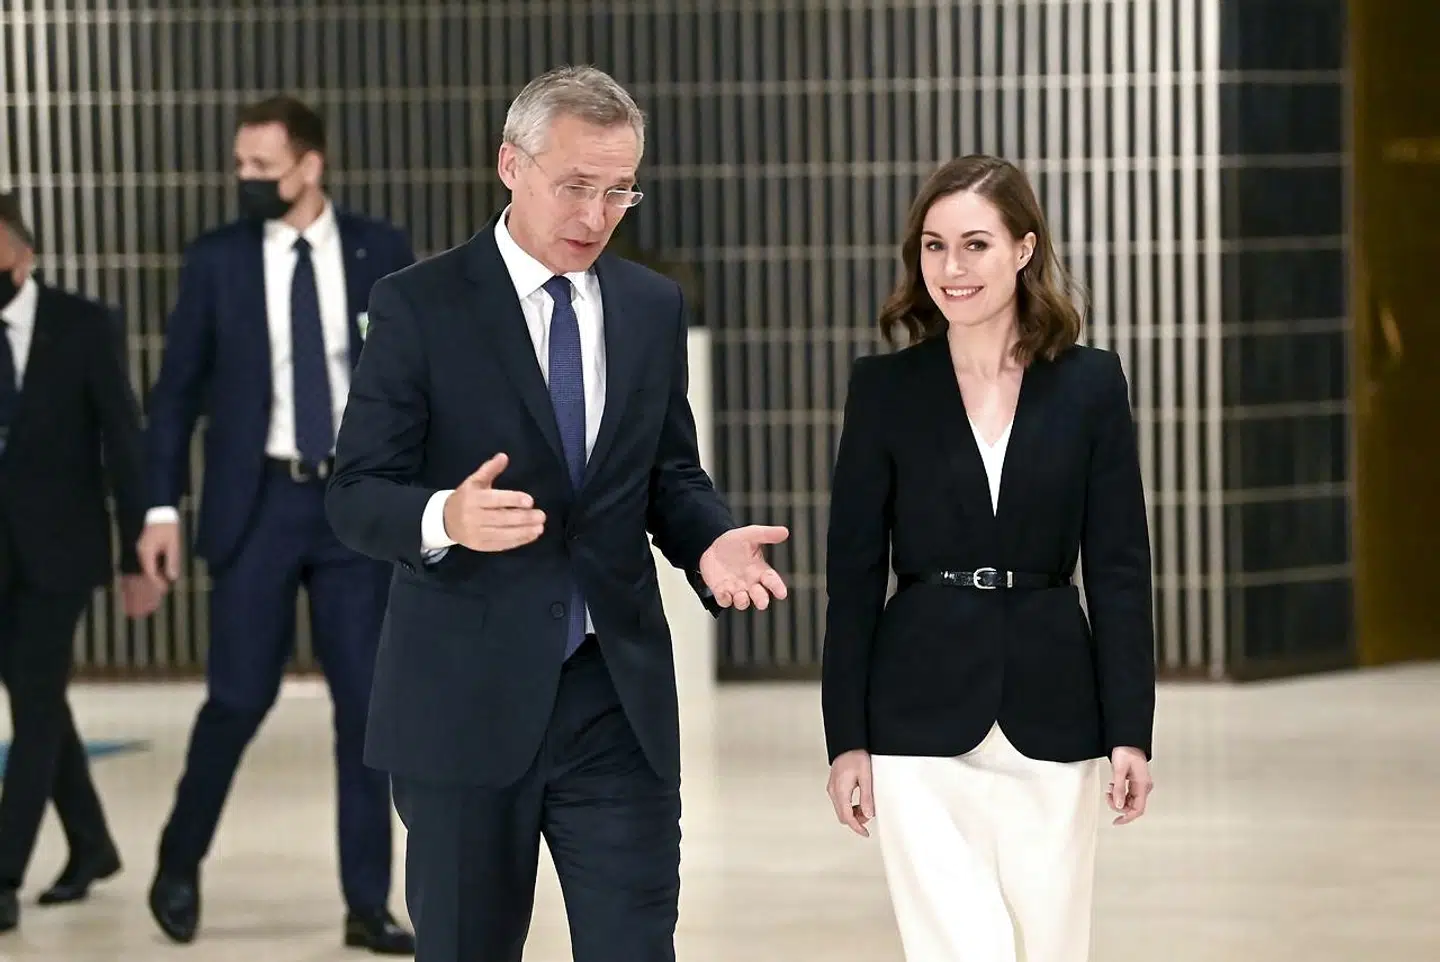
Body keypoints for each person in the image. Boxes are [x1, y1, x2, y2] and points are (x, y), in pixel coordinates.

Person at [324, 64, 789, 962]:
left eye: (621, 191)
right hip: (464, 704)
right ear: (511, 165)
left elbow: (668, 476)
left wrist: (710, 541)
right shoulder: (417, 306)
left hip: (613, 698)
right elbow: (355, 495)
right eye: (575, 186)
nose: (597, 214)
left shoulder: (650, 308)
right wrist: (442, 518)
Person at [821, 155, 1157, 962]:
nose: (951, 268)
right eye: (934, 247)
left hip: (1055, 708)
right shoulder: (885, 389)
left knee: (1052, 945)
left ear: (1024, 249)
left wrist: (1131, 732)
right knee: (957, 948)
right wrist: (845, 739)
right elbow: (854, 576)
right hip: (916, 714)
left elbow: (1117, 568)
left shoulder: (1089, 385)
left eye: (976, 244)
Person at [135, 95, 416, 953]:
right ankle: (178, 864)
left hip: (353, 509)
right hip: (256, 504)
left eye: (262, 166)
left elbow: (415, 381)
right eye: (241, 166)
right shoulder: (217, 260)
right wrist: (158, 507)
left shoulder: (381, 252)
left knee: (368, 712)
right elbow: (175, 392)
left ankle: (368, 903)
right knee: (237, 698)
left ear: (310, 165)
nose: (246, 180)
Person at [0, 192, 161, 931]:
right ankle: (91, 843)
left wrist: (138, 550)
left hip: (59, 552)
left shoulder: (82, 325)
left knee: (32, 704)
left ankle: (3, 873)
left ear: (23, 251)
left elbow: (123, 443)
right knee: (41, 699)